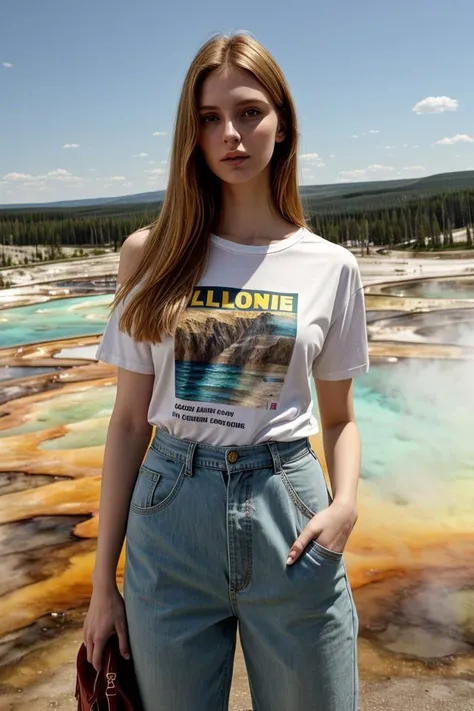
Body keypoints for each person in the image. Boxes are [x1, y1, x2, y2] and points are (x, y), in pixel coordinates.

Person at [84, 31, 369, 711]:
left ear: (282, 122)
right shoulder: (149, 256)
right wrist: (102, 585)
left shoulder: (331, 267)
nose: (231, 134)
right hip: (170, 521)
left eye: (249, 112)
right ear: (191, 132)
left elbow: (340, 417)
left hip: (290, 520)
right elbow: (128, 423)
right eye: (210, 118)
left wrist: (347, 505)